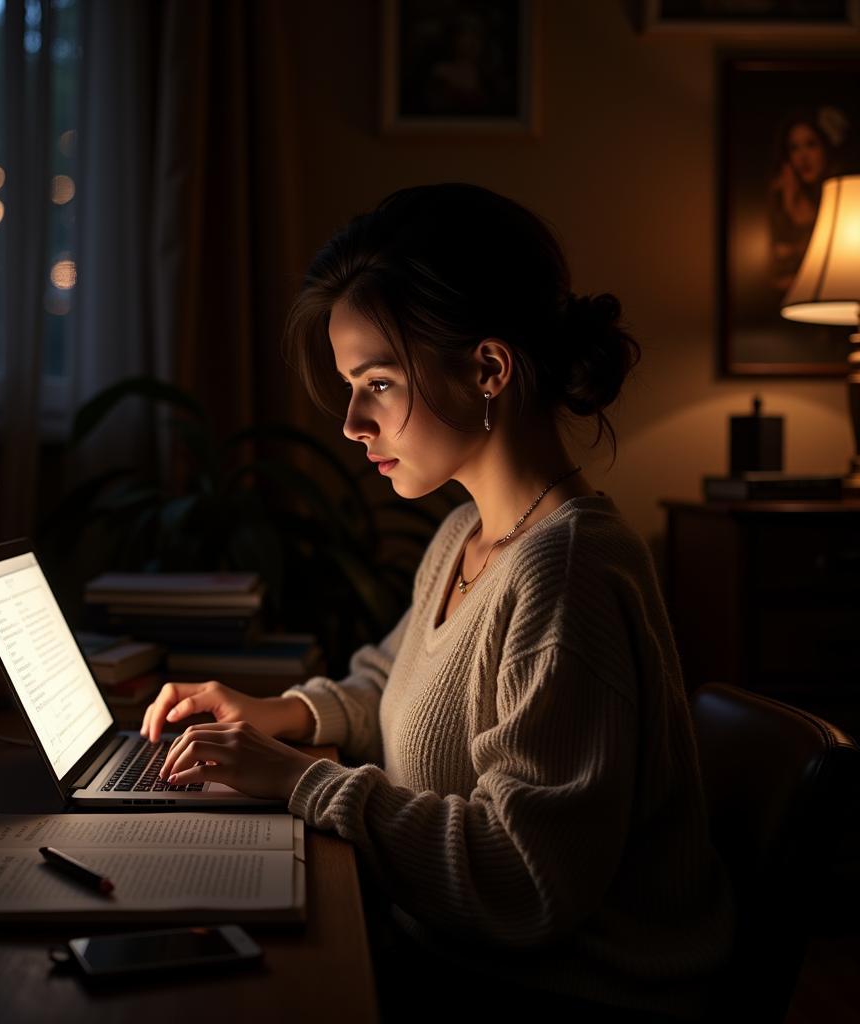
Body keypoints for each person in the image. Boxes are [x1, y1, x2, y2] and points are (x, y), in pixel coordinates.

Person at [141, 183, 736, 1022]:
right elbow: (392, 688)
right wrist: (276, 713)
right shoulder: (467, 532)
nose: (351, 422)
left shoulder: (565, 573)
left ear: (488, 368)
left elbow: (527, 881)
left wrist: (302, 782)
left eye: (376, 383)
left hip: (563, 993)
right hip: (454, 954)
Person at [768, 105, 847, 293]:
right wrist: (789, 205)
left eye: (811, 144)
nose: (803, 157)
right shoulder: (779, 198)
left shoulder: (843, 199)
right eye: (794, 148)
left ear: (826, 148)